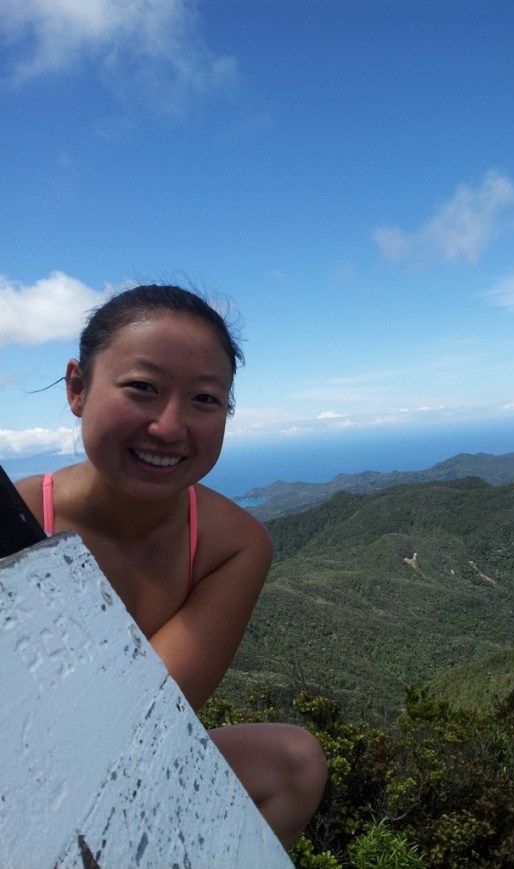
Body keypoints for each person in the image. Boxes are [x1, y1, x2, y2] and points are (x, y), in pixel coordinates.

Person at [16, 284, 327, 849]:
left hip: (113, 760)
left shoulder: (233, 544)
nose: (168, 426)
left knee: (293, 764)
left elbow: (142, 720)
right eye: (142, 388)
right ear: (78, 388)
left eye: (204, 399)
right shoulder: (16, 522)